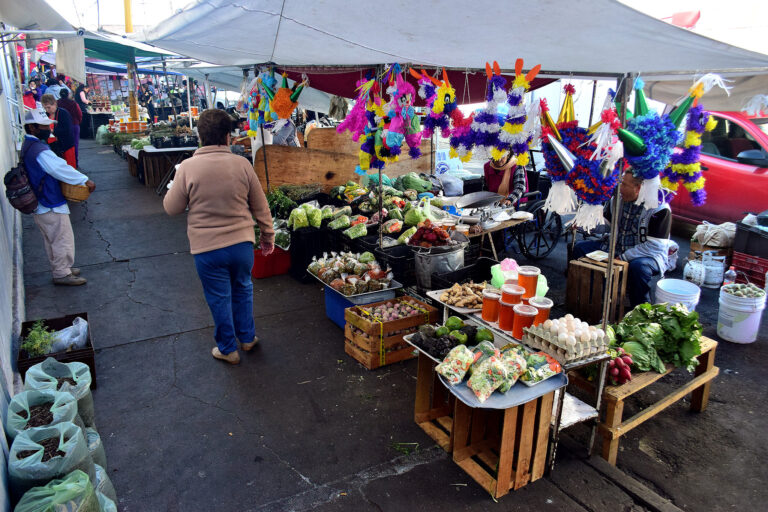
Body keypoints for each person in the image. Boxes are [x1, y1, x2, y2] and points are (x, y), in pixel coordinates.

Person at [163, 109, 275, 364]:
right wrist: (268, 236)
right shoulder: (242, 164)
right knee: (243, 289)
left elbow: (172, 208)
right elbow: (261, 206)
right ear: (228, 136)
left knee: (219, 297)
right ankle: (247, 338)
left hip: (207, 249)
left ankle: (227, 349)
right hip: (242, 245)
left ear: (200, 136)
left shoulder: (188, 167)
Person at [571, 170, 673, 307]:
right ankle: (590, 299)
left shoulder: (659, 209)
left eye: (624, 185)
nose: (620, 188)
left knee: (639, 268)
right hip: (615, 246)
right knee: (580, 248)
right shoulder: (617, 200)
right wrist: (585, 224)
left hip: (647, 255)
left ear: (639, 188)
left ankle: (641, 308)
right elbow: (606, 226)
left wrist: (624, 257)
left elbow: (655, 246)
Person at [22, 104, 95, 285]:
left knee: (53, 238)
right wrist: (84, 179)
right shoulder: (39, 150)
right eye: (44, 126)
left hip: (42, 202)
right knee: (61, 237)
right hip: (48, 201)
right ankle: (62, 273)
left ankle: (61, 268)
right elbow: (59, 168)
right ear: (32, 128)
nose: (48, 129)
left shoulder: (31, 145)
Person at [41, 94, 77, 169]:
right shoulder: (46, 115)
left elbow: (67, 129)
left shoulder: (63, 113)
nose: (47, 110)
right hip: (53, 146)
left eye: (48, 107)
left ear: (54, 104)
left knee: (70, 167)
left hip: (66, 145)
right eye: (45, 108)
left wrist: (52, 131)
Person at [57, 89, 83, 165]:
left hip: (61, 126)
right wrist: (78, 122)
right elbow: (79, 114)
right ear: (68, 94)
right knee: (74, 144)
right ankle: (75, 162)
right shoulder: (73, 103)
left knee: (62, 144)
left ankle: (65, 162)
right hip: (74, 125)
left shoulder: (57, 103)